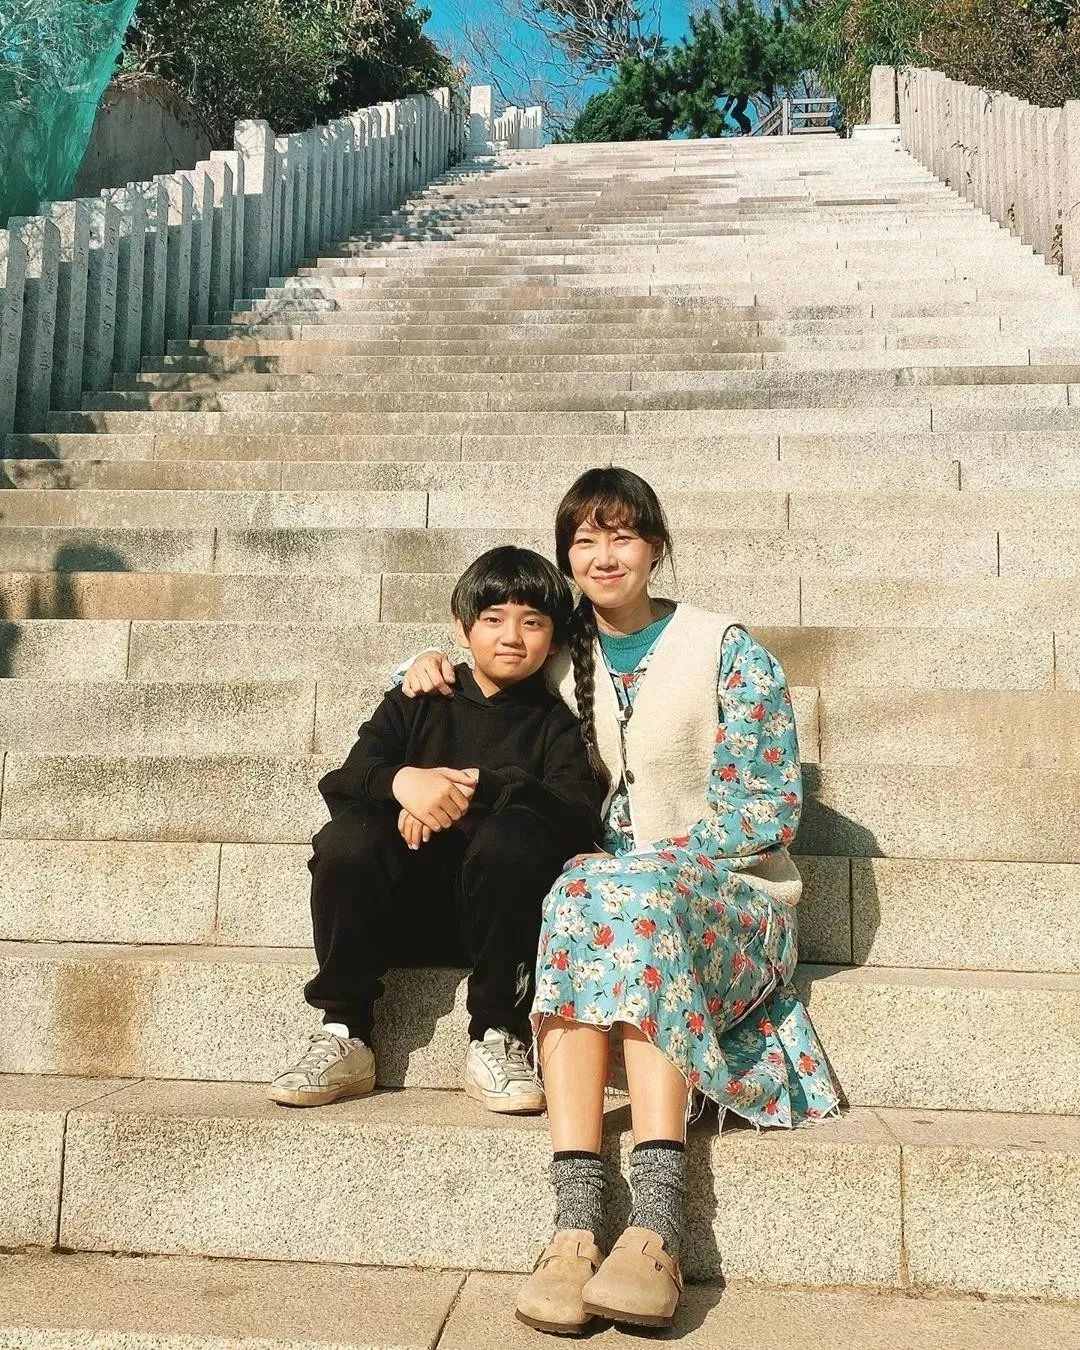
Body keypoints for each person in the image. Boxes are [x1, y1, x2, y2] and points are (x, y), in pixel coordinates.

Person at [402, 468, 841, 1334]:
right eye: (585, 540)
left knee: (610, 886)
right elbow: (485, 663)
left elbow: (769, 808)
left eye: (623, 536)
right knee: (582, 888)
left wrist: (649, 862)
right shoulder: (559, 653)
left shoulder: (726, 649)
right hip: (605, 898)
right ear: (567, 556)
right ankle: (575, 1226)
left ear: (656, 547)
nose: (604, 556)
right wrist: (418, 666)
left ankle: (657, 1225)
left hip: (734, 899)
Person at [269, 546, 604, 1116]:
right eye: (493, 619)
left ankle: (498, 1033)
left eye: (532, 622)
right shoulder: (419, 699)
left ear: (554, 639)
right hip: (398, 913)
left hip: (500, 926)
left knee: (516, 837)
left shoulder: (556, 723)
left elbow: (576, 812)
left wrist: (476, 792)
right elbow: (346, 779)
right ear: (461, 627)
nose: (511, 637)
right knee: (350, 838)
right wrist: (404, 783)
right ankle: (344, 1030)